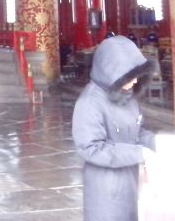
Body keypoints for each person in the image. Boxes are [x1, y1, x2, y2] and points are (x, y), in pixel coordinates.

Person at [72, 35, 156, 221]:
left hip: (130, 180)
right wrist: (139, 153)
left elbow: (137, 132)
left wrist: (159, 144)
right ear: (113, 72)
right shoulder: (89, 103)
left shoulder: (127, 96)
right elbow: (91, 148)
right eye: (130, 76)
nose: (135, 81)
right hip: (106, 188)